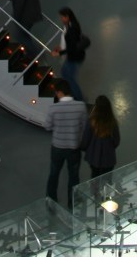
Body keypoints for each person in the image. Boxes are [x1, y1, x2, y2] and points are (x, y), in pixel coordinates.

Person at [44, 79, 86, 207]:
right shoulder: (80, 106)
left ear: (59, 92)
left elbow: (47, 127)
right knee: (73, 176)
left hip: (57, 147)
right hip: (74, 148)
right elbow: (84, 127)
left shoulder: (53, 108)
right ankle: (72, 202)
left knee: (54, 174)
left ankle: (51, 200)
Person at [52, 7, 87, 102]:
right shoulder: (69, 25)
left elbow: (72, 47)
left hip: (74, 57)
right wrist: (60, 47)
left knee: (70, 78)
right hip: (73, 56)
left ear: (67, 17)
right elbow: (68, 42)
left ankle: (79, 99)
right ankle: (75, 96)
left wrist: (59, 53)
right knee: (65, 73)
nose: (61, 19)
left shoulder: (72, 29)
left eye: (62, 17)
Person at [80, 95, 120, 178]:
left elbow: (86, 139)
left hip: (94, 157)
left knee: (94, 178)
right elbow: (116, 141)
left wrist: (83, 148)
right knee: (106, 180)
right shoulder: (112, 122)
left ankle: (95, 191)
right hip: (108, 158)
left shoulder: (91, 121)